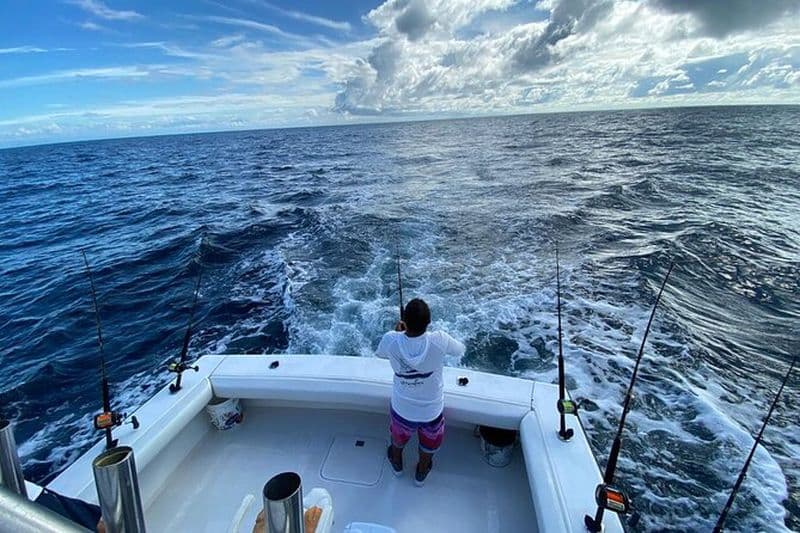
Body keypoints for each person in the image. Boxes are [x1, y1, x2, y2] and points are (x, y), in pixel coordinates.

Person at [376, 298, 465, 486]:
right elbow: (460, 350)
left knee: (398, 439)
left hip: (402, 409)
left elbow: (380, 354)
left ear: (404, 321)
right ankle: (422, 471)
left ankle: (397, 463)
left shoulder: (391, 339)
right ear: (429, 323)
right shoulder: (439, 339)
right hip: (431, 412)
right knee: (429, 443)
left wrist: (398, 333)